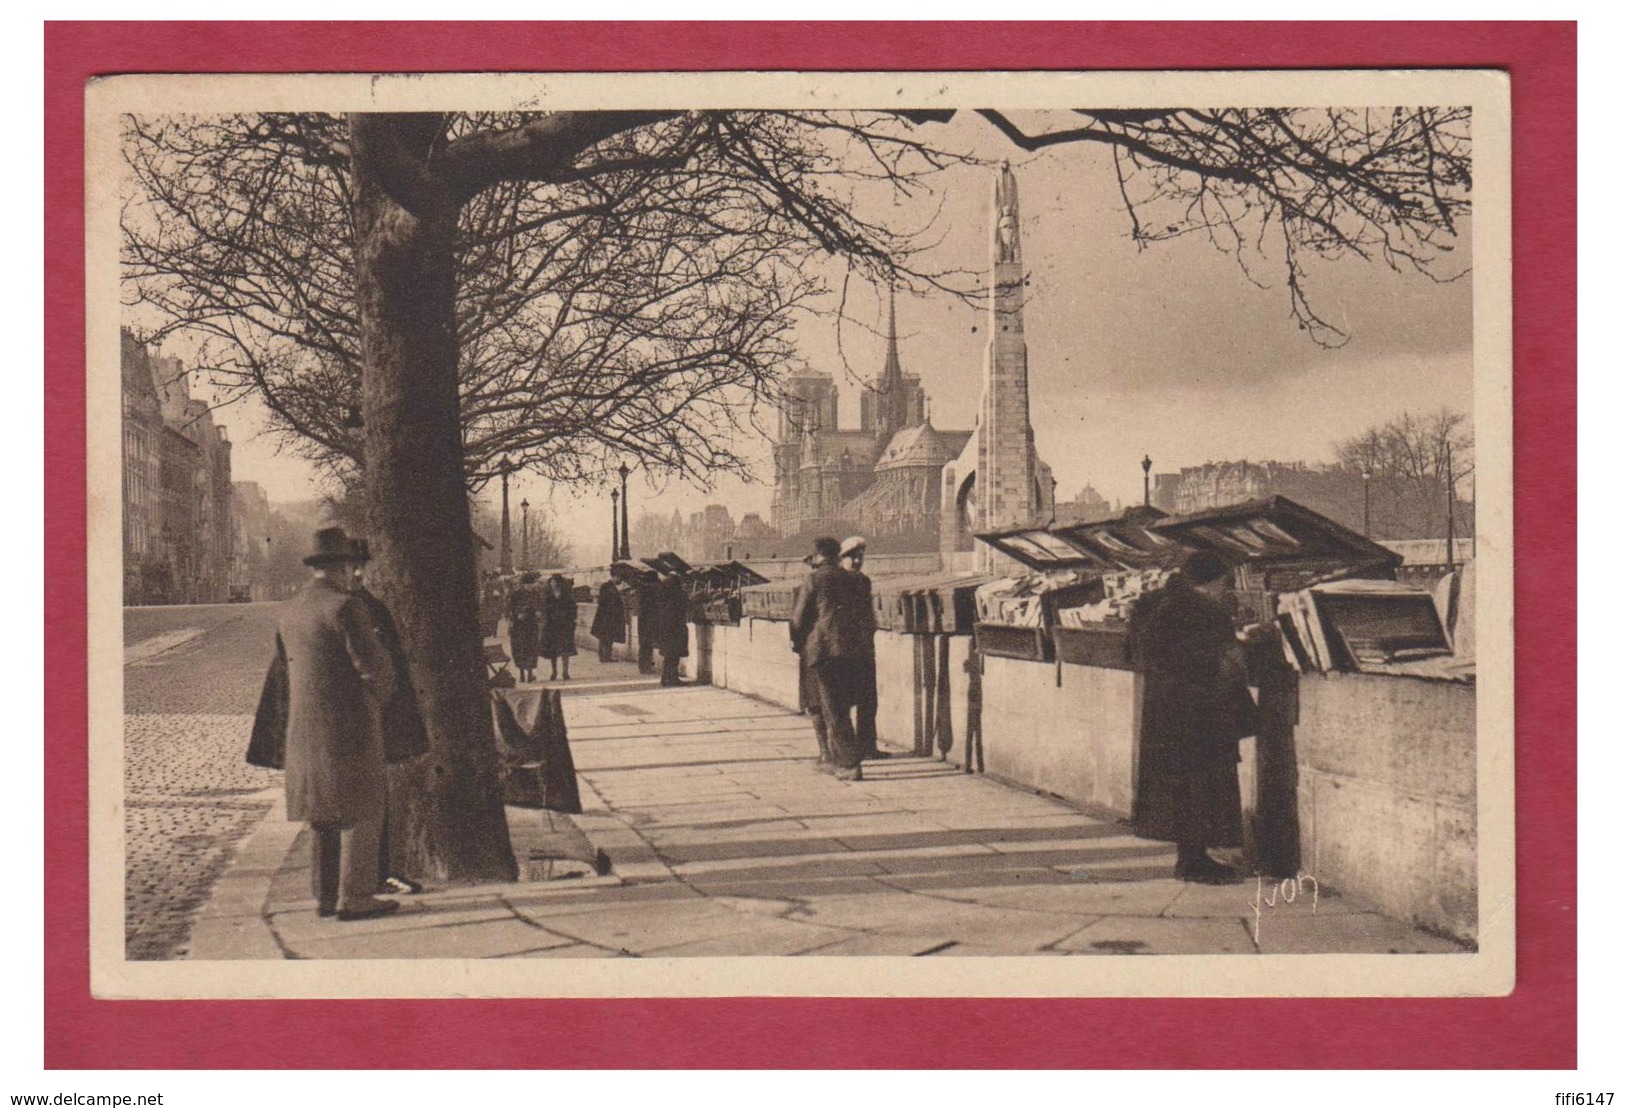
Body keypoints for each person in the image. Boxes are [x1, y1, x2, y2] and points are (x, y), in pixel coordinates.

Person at [247, 527, 401, 921]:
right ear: (344, 566)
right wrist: (380, 696)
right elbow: (376, 669)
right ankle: (356, 897)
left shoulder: (291, 610)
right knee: (363, 811)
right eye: (351, 565)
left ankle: (325, 896)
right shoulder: (346, 607)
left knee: (321, 816)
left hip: (303, 733)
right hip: (349, 729)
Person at [1128, 550, 1255, 884]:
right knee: (1202, 787)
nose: (1227, 589)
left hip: (1165, 714)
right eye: (1225, 582)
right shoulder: (1207, 612)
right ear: (1212, 582)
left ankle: (1191, 858)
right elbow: (1227, 663)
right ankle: (1194, 862)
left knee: (1183, 789)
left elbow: (1141, 653)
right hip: (1201, 714)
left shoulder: (1154, 605)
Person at [346, 540, 430, 897]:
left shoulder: (369, 606)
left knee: (380, 800)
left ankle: (381, 872)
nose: (359, 573)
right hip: (364, 720)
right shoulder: (350, 609)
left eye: (362, 566)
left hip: (380, 720)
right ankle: (371, 878)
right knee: (367, 803)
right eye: (352, 567)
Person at [789, 536, 868, 781]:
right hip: (850, 650)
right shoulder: (852, 579)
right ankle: (838, 759)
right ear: (836, 556)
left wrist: (798, 641)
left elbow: (798, 618)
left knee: (832, 708)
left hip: (824, 651)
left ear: (819, 556)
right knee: (841, 705)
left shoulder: (813, 579)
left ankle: (848, 764)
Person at [838, 536, 887, 761]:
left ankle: (868, 746)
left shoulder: (864, 581)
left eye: (860, 557)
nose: (858, 561)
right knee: (845, 701)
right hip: (845, 651)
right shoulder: (837, 581)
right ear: (842, 559)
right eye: (853, 557)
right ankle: (848, 750)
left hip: (865, 648)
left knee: (869, 700)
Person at [790, 547, 833, 765]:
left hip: (812, 651)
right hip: (836, 653)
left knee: (814, 702)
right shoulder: (848, 583)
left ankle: (826, 751)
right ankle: (835, 751)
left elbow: (796, 622)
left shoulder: (804, 588)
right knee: (834, 704)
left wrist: (798, 646)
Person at [653, 566, 690, 687]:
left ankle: (665, 678)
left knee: (669, 654)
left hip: (665, 623)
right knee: (674, 654)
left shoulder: (664, 583)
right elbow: (681, 601)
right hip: (674, 624)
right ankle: (672, 678)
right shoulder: (674, 584)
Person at [540, 573, 579, 681]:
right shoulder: (546, 594)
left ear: (559, 583)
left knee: (565, 649)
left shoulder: (567, 593)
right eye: (551, 582)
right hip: (551, 625)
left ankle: (565, 672)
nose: (553, 584)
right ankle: (554, 672)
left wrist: (573, 619)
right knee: (553, 650)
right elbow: (543, 608)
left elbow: (573, 607)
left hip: (564, 624)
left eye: (555, 582)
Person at [506, 571, 542, 683]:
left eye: (532, 584)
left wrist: (539, 612)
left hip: (532, 625)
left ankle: (530, 673)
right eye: (528, 584)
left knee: (532, 648)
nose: (530, 586)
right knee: (520, 648)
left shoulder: (536, 594)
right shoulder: (516, 594)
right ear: (523, 584)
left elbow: (541, 606)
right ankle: (522, 673)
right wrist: (517, 615)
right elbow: (508, 610)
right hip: (519, 626)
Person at [591, 578, 626, 663]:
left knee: (607, 636)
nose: (621, 581)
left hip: (608, 616)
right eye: (619, 578)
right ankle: (604, 656)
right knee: (605, 636)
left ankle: (606, 656)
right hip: (606, 616)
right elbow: (603, 601)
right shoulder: (606, 586)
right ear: (615, 576)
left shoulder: (610, 586)